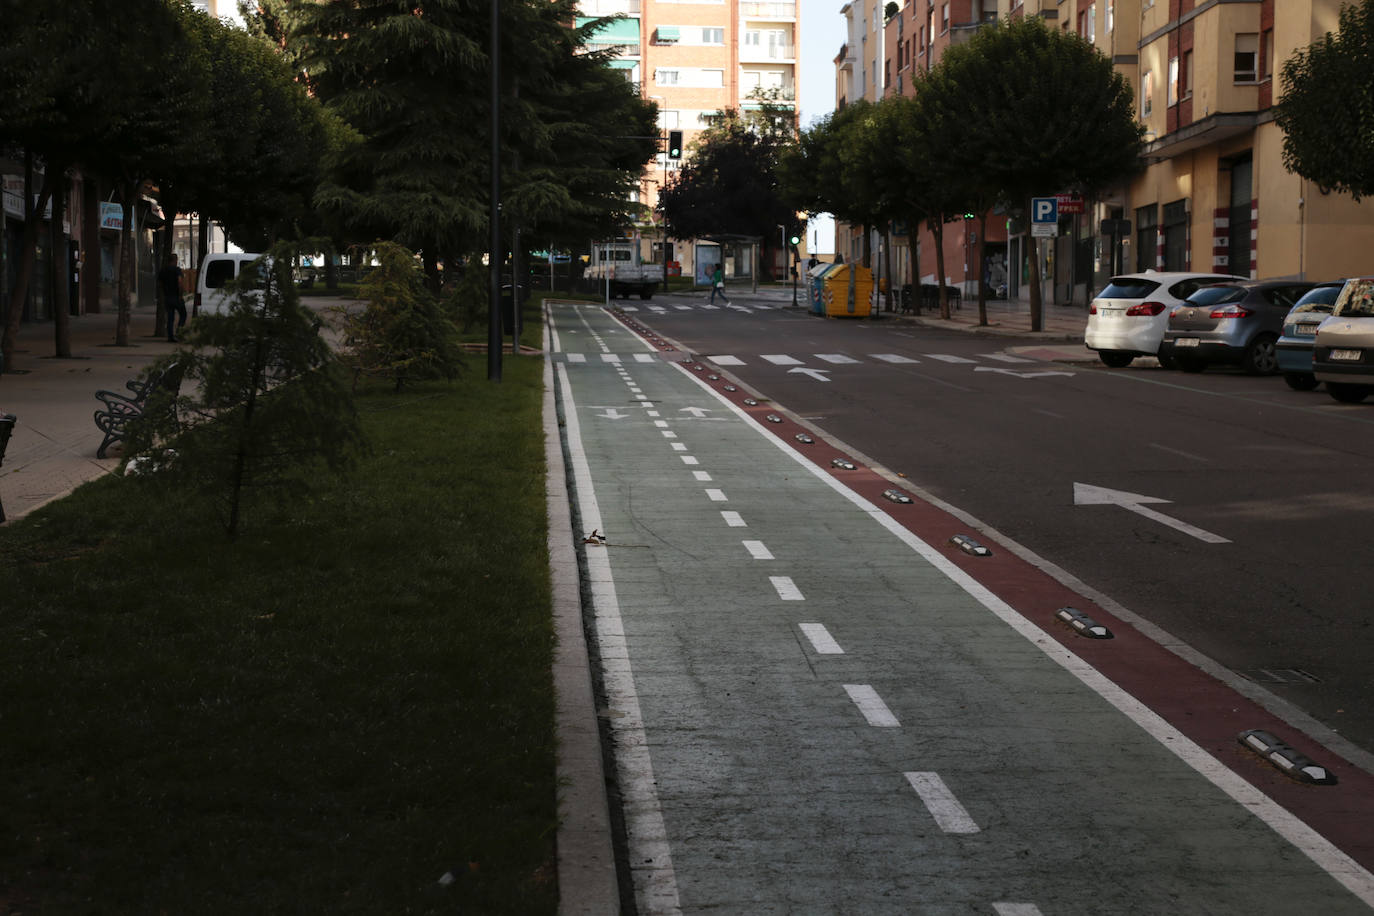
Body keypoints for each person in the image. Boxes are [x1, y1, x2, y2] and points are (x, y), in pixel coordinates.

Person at [159, 253, 186, 342]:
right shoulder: (177, 270)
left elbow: (160, 283)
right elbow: (180, 282)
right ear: (175, 260)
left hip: (168, 297)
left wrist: (164, 293)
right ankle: (179, 332)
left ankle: (170, 337)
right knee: (183, 314)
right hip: (176, 296)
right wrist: (181, 295)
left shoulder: (163, 270)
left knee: (170, 317)